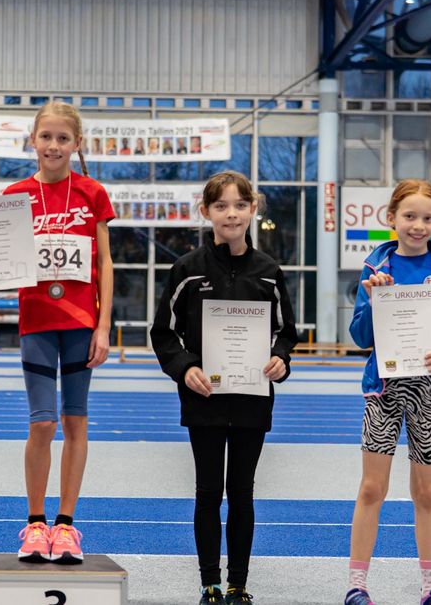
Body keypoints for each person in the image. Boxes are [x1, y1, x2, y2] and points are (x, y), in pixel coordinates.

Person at [0, 101, 114, 564]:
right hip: (37, 322)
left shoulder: (92, 193)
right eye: (46, 136)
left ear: (76, 143)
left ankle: (65, 525)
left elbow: (106, 262)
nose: (54, 145)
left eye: (63, 138)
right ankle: (34, 522)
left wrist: (104, 325)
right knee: (42, 422)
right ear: (33, 140)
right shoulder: (16, 195)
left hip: (81, 323)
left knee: (75, 420)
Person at [150, 170, 298, 605]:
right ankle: (210, 584)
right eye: (221, 206)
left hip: (252, 399)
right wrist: (185, 369)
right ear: (206, 211)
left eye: (239, 205)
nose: (231, 214)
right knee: (208, 492)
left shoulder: (269, 272)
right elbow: (163, 332)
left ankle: (238, 585)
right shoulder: (187, 270)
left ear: (253, 209)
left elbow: (287, 332)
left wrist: (280, 360)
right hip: (205, 398)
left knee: (243, 494)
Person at [344, 180, 431, 605]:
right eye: (409, 216)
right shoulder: (374, 269)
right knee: (372, 489)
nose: (418, 225)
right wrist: (373, 299)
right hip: (384, 391)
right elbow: (359, 337)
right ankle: (356, 585)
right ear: (391, 218)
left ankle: (430, 587)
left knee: (427, 493)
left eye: (427, 218)